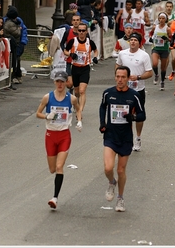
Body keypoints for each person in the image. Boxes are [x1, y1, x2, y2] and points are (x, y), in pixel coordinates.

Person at [99, 66, 146, 212]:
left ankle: (120, 198)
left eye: (123, 77)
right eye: (118, 77)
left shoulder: (134, 95)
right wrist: (102, 123)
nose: (120, 80)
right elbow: (102, 107)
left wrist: (131, 117)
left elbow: (142, 115)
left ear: (128, 78)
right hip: (111, 136)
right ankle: (111, 182)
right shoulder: (108, 93)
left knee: (121, 170)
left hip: (125, 137)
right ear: (115, 77)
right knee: (108, 168)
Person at [36, 71, 82, 209]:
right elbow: (37, 113)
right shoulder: (47, 97)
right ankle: (56, 181)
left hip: (64, 136)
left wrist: (79, 121)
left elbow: (78, 109)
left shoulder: (72, 98)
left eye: (62, 81)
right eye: (58, 81)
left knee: (59, 167)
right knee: (52, 169)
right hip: (50, 135)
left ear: (66, 82)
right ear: (54, 82)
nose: (60, 84)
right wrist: (47, 116)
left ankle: (55, 198)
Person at [115, 32, 153, 151]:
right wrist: (119, 78)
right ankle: (126, 138)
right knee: (124, 114)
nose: (132, 42)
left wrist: (138, 77)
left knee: (139, 116)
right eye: (131, 40)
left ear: (139, 42)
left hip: (138, 89)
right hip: (124, 89)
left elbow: (149, 72)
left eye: (135, 40)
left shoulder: (144, 55)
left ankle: (138, 137)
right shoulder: (122, 53)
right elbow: (117, 66)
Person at [64, 22, 98, 112]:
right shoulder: (73, 41)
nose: (81, 32)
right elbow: (65, 51)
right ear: (77, 31)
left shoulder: (89, 42)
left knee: (82, 90)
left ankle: (80, 111)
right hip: (75, 68)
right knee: (77, 91)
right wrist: (71, 54)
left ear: (86, 31)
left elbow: (95, 50)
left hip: (85, 68)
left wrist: (95, 57)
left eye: (83, 30)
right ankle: (76, 105)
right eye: (80, 30)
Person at [3, 6, 28, 85]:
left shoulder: (18, 21)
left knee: (16, 60)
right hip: (13, 44)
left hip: (18, 43)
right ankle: (14, 76)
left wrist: (23, 41)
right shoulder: (9, 23)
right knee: (14, 60)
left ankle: (16, 75)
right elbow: (18, 32)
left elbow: (23, 31)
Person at [149, 13, 171, 88]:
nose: (161, 20)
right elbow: (150, 34)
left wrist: (167, 39)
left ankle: (162, 81)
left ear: (165, 19)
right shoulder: (155, 27)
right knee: (154, 63)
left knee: (163, 67)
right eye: (160, 18)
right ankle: (156, 75)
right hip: (155, 48)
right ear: (158, 19)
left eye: (163, 18)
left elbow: (171, 39)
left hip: (164, 49)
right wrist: (151, 38)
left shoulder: (167, 29)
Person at [61, 14, 81, 93]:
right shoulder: (68, 32)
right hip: (69, 59)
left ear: (80, 21)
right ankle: (71, 89)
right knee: (69, 84)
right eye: (74, 20)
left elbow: (89, 44)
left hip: (80, 61)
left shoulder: (83, 33)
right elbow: (62, 43)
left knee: (77, 85)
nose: (76, 22)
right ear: (72, 22)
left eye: (77, 20)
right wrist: (66, 52)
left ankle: (76, 98)